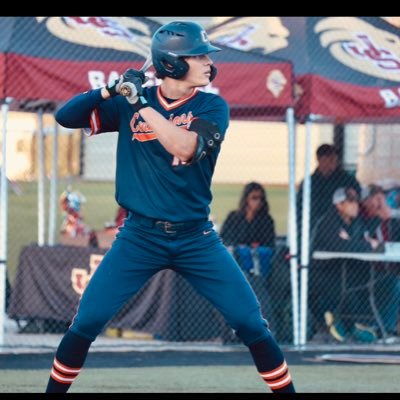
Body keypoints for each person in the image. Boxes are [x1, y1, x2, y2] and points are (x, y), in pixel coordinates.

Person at [45, 21, 295, 393]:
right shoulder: (130, 101)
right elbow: (65, 116)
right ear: (174, 64)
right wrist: (111, 89)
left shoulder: (211, 104)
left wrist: (138, 103)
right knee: (87, 321)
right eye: (199, 55)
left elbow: (185, 147)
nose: (209, 62)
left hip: (196, 238)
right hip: (139, 237)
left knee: (250, 323)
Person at [309, 187, 381, 342]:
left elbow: (361, 241)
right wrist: (365, 246)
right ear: (339, 205)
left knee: (384, 280)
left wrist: (356, 243)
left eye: (356, 201)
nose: (355, 205)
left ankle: (368, 326)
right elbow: (341, 246)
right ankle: (337, 322)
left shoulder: (356, 222)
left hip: (348, 271)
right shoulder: (328, 222)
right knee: (344, 287)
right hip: (324, 273)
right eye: (350, 202)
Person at [297, 143, 361, 248]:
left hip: (343, 224)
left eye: (335, 158)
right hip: (315, 225)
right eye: (329, 158)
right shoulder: (309, 183)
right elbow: (302, 207)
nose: (333, 161)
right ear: (319, 159)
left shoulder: (346, 179)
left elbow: (357, 193)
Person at [360, 184, 400, 339]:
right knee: (395, 284)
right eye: (377, 199)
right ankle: (386, 329)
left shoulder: (391, 222)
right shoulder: (363, 221)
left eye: (382, 199)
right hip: (368, 272)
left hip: (390, 268)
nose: (380, 204)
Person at [220, 181, 276, 276]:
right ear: (246, 199)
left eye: (261, 199)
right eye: (254, 198)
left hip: (257, 258)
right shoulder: (233, 216)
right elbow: (224, 237)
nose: (258, 202)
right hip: (236, 255)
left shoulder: (266, 219)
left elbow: (269, 242)